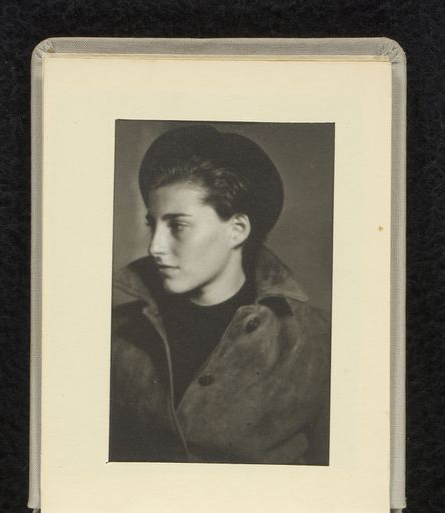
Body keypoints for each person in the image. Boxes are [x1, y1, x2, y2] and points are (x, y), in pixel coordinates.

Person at [109, 124, 330, 465]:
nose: (154, 247)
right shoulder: (116, 333)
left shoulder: (316, 342)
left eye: (178, 225)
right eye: (153, 224)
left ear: (237, 230)